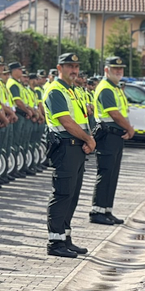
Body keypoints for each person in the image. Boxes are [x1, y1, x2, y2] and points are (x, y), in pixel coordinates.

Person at [43, 52, 95, 258]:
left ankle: (65, 238)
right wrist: (89, 139)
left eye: (76, 66)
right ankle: (55, 243)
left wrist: (88, 139)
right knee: (62, 193)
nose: (74, 70)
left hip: (77, 147)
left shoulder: (72, 90)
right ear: (59, 68)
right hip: (65, 146)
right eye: (69, 66)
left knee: (72, 195)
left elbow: (81, 119)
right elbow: (66, 122)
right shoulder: (55, 91)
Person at [89, 56, 134, 226]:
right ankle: (97, 211)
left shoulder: (114, 88)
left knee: (112, 174)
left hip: (115, 136)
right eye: (115, 69)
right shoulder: (106, 88)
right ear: (106, 70)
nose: (119, 71)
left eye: (121, 69)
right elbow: (114, 113)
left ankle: (106, 209)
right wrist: (129, 128)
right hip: (108, 135)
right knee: (106, 172)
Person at [7, 62, 34, 178]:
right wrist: (28, 112)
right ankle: (13, 168)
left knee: (22, 144)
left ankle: (19, 167)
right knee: (16, 144)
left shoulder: (18, 84)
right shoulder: (13, 84)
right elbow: (18, 102)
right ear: (13, 70)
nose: (21, 72)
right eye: (19, 69)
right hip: (18, 115)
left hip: (22, 116)